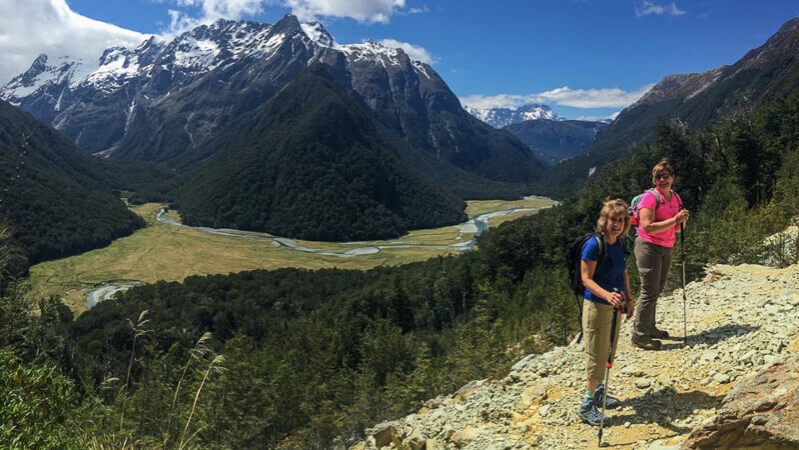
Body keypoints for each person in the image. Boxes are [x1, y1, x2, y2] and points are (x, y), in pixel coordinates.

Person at [577, 199, 634, 426]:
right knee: (596, 355)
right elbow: (586, 279)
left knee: (608, 350)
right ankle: (586, 404)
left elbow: (624, 273)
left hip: (615, 304)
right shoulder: (593, 244)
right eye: (613, 220)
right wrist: (607, 295)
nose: (617, 224)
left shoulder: (619, 244)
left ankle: (599, 392)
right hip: (597, 306)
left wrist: (628, 299)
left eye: (621, 220)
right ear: (604, 220)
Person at [631, 159, 690, 350]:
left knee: (657, 289)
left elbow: (679, 229)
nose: (662, 180)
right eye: (658, 176)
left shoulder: (676, 198)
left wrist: (681, 220)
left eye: (666, 176)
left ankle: (649, 328)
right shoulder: (650, 198)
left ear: (672, 178)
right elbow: (647, 226)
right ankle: (639, 335)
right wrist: (675, 220)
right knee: (649, 291)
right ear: (654, 179)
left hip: (666, 246)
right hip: (648, 246)